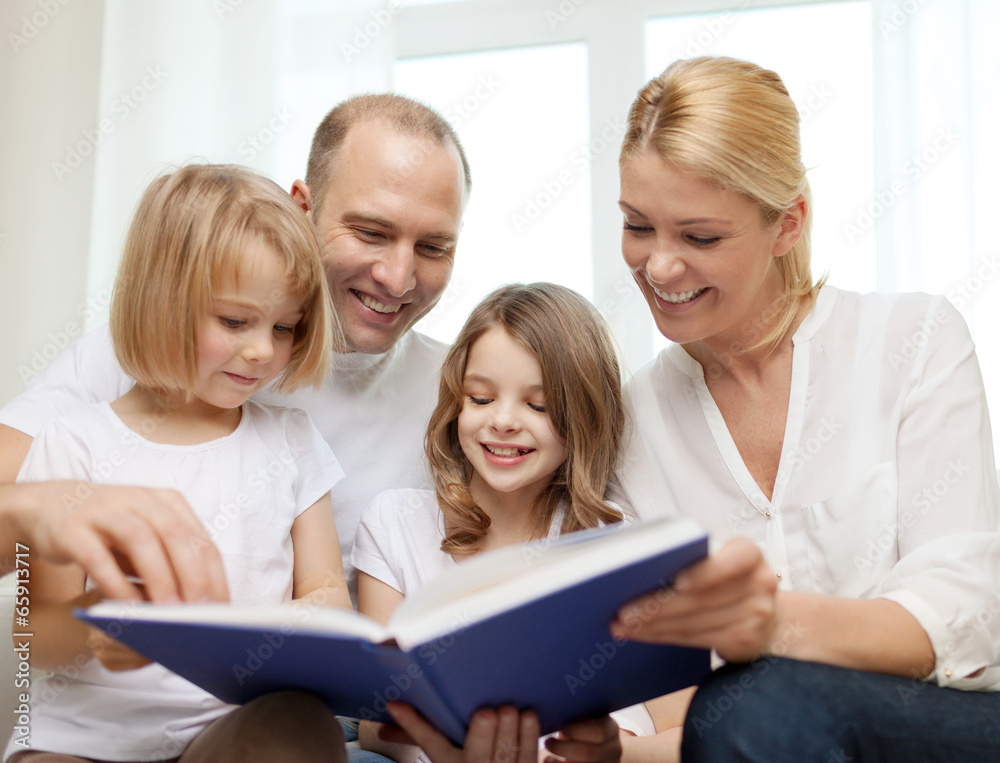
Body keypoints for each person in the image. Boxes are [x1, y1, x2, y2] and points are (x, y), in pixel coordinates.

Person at [607, 55, 1000, 761]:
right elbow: (677, 697)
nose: (659, 267)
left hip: (947, 724)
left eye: (700, 237)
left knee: (756, 698)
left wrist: (774, 628)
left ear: (788, 224)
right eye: (638, 226)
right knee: (742, 710)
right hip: (745, 735)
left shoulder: (914, 341)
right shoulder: (634, 421)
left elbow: (961, 616)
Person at [0, 93, 470, 605]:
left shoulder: (469, 394)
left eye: (433, 247)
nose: (398, 279)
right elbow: (27, 589)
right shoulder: (162, 349)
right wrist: (53, 519)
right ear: (303, 207)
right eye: (370, 232)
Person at [6, 163, 353, 763]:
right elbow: (31, 630)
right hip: (85, 739)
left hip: (227, 734)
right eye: (235, 321)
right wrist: (99, 628)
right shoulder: (71, 444)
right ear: (160, 300)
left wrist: (277, 623)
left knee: (301, 726)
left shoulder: (292, 441)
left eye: (285, 327)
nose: (262, 351)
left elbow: (326, 592)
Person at [351, 282, 639, 763]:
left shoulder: (621, 545)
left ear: (583, 415)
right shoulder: (395, 523)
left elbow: (684, 728)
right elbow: (374, 726)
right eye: (481, 399)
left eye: (538, 405)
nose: (503, 421)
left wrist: (616, 754)